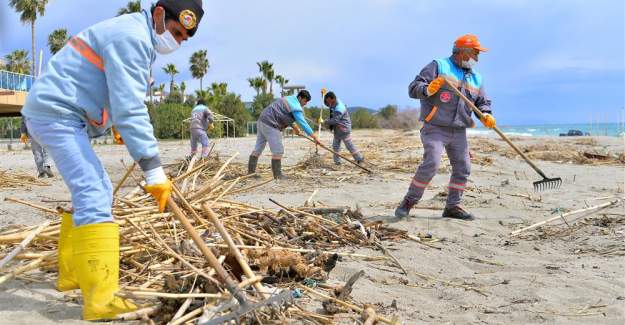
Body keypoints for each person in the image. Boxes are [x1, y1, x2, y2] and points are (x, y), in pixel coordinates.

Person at [20, 0, 204, 320]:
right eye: (175, 32)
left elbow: (114, 91)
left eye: (183, 39)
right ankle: (101, 300)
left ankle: (73, 276)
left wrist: (112, 122)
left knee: (95, 189)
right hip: (57, 115)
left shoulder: (137, 36)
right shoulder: (131, 37)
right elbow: (131, 109)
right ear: (159, 14)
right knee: (93, 190)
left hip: (61, 114)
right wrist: (154, 171)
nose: (176, 42)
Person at [394, 34, 496, 221]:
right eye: (475, 53)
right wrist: (427, 89)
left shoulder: (476, 77)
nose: (477, 59)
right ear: (463, 52)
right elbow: (413, 87)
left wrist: (486, 114)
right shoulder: (438, 66)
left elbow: (482, 102)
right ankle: (408, 201)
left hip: (458, 130)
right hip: (435, 128)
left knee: (463, 167)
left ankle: (452, 206)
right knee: (432, 163)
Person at [247, 90, 321, 179]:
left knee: (258, 148)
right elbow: (303, 123)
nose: (305, 104)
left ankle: (250, 173)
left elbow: (284, 115)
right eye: (305, 101)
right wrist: (314, 136)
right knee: (278, 151)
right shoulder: (296, 106)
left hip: (262, 121)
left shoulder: (287, 99)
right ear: (300, 98)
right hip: (271, 124)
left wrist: (296, 129)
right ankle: (278, 176)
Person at [323, 91, 364, 165]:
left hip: (343, 129)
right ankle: (337, 162)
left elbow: (335, 120)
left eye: (328, 101)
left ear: (331, 99)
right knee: (336, 146)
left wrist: (325, 121)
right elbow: (331, 111)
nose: (328, 104)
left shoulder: (339, 108)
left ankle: (359, 158)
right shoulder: (335, 102)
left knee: (349, 145)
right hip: (339, 129)